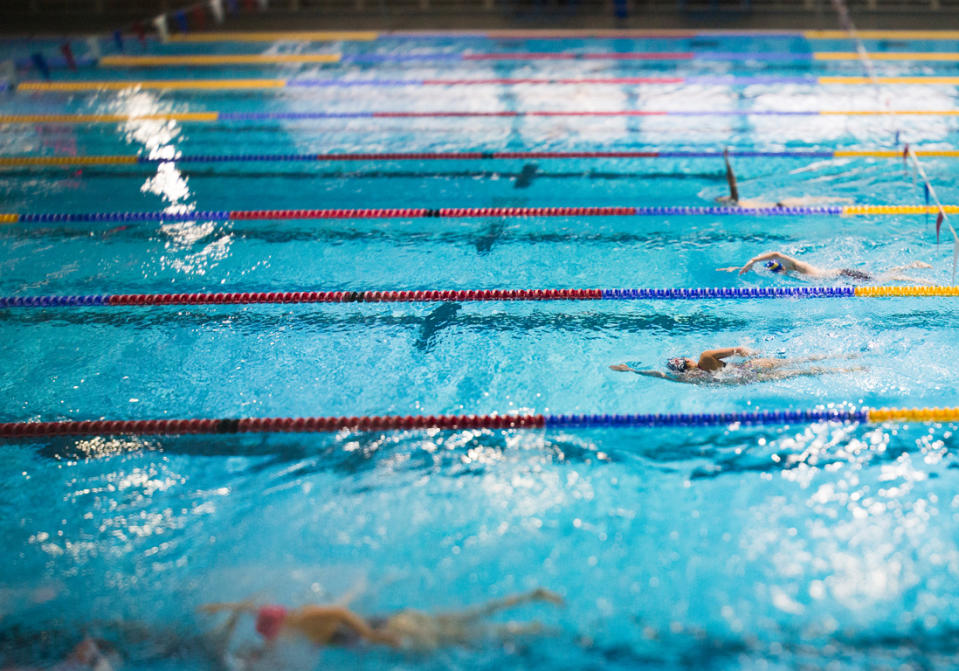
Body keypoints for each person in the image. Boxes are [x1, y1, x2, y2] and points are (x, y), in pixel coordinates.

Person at [199, 587, 564, 654]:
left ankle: (530, 626)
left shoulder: (305, 622)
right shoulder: (298, 621)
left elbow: (341, 615)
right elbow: (341, 610)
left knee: (466, 635)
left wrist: (374, 640)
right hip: (394, 621)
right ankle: (529, 598)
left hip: (392, 628)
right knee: (467, 619)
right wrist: (226, 607)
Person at [610, 346, 862, 384]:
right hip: (749, 367)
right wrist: (749, 349)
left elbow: (658, 375)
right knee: (799, 360)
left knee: (799, 371)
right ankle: (847, 357)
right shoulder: (705, 357)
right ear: (687, 361)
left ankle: (847, 370)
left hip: (742, 380)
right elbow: (739, 349)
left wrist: (632, 370)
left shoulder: (688, 379)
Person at [715, 149, 851, 209]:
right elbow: (733, 188)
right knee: (815, 201)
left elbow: (733, 186)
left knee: (815, 201)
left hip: (780, 206)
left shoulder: (735, 202)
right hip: (780, 205)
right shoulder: (736, 203)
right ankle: (843, 200)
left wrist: (727, 163)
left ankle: (844, 200)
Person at [717, 250, 933, 284]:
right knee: (880, 277)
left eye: (777, 270)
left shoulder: (795, 265)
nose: (779, 272)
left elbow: (775, 255)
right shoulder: (789, 271)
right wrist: (736, 268)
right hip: (839, 276)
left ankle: (916, 275)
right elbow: (768, 265)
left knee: (882, 280)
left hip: (843, 274)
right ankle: (912, 267)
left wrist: (752, 260)